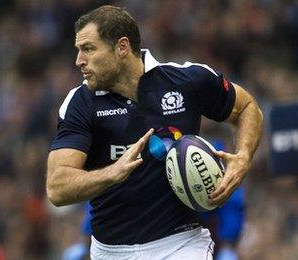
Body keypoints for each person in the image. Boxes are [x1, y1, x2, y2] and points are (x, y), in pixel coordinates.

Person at [46, 5, 263, 259]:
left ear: (122, 47)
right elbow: (57, 187)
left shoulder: (185, 80)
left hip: (181, 244)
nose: (79, 60)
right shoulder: (80, 103)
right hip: (110, 251)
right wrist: (112, 173)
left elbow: (247, 107)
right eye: (78, 50)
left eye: (89, 49)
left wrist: (244, 157)